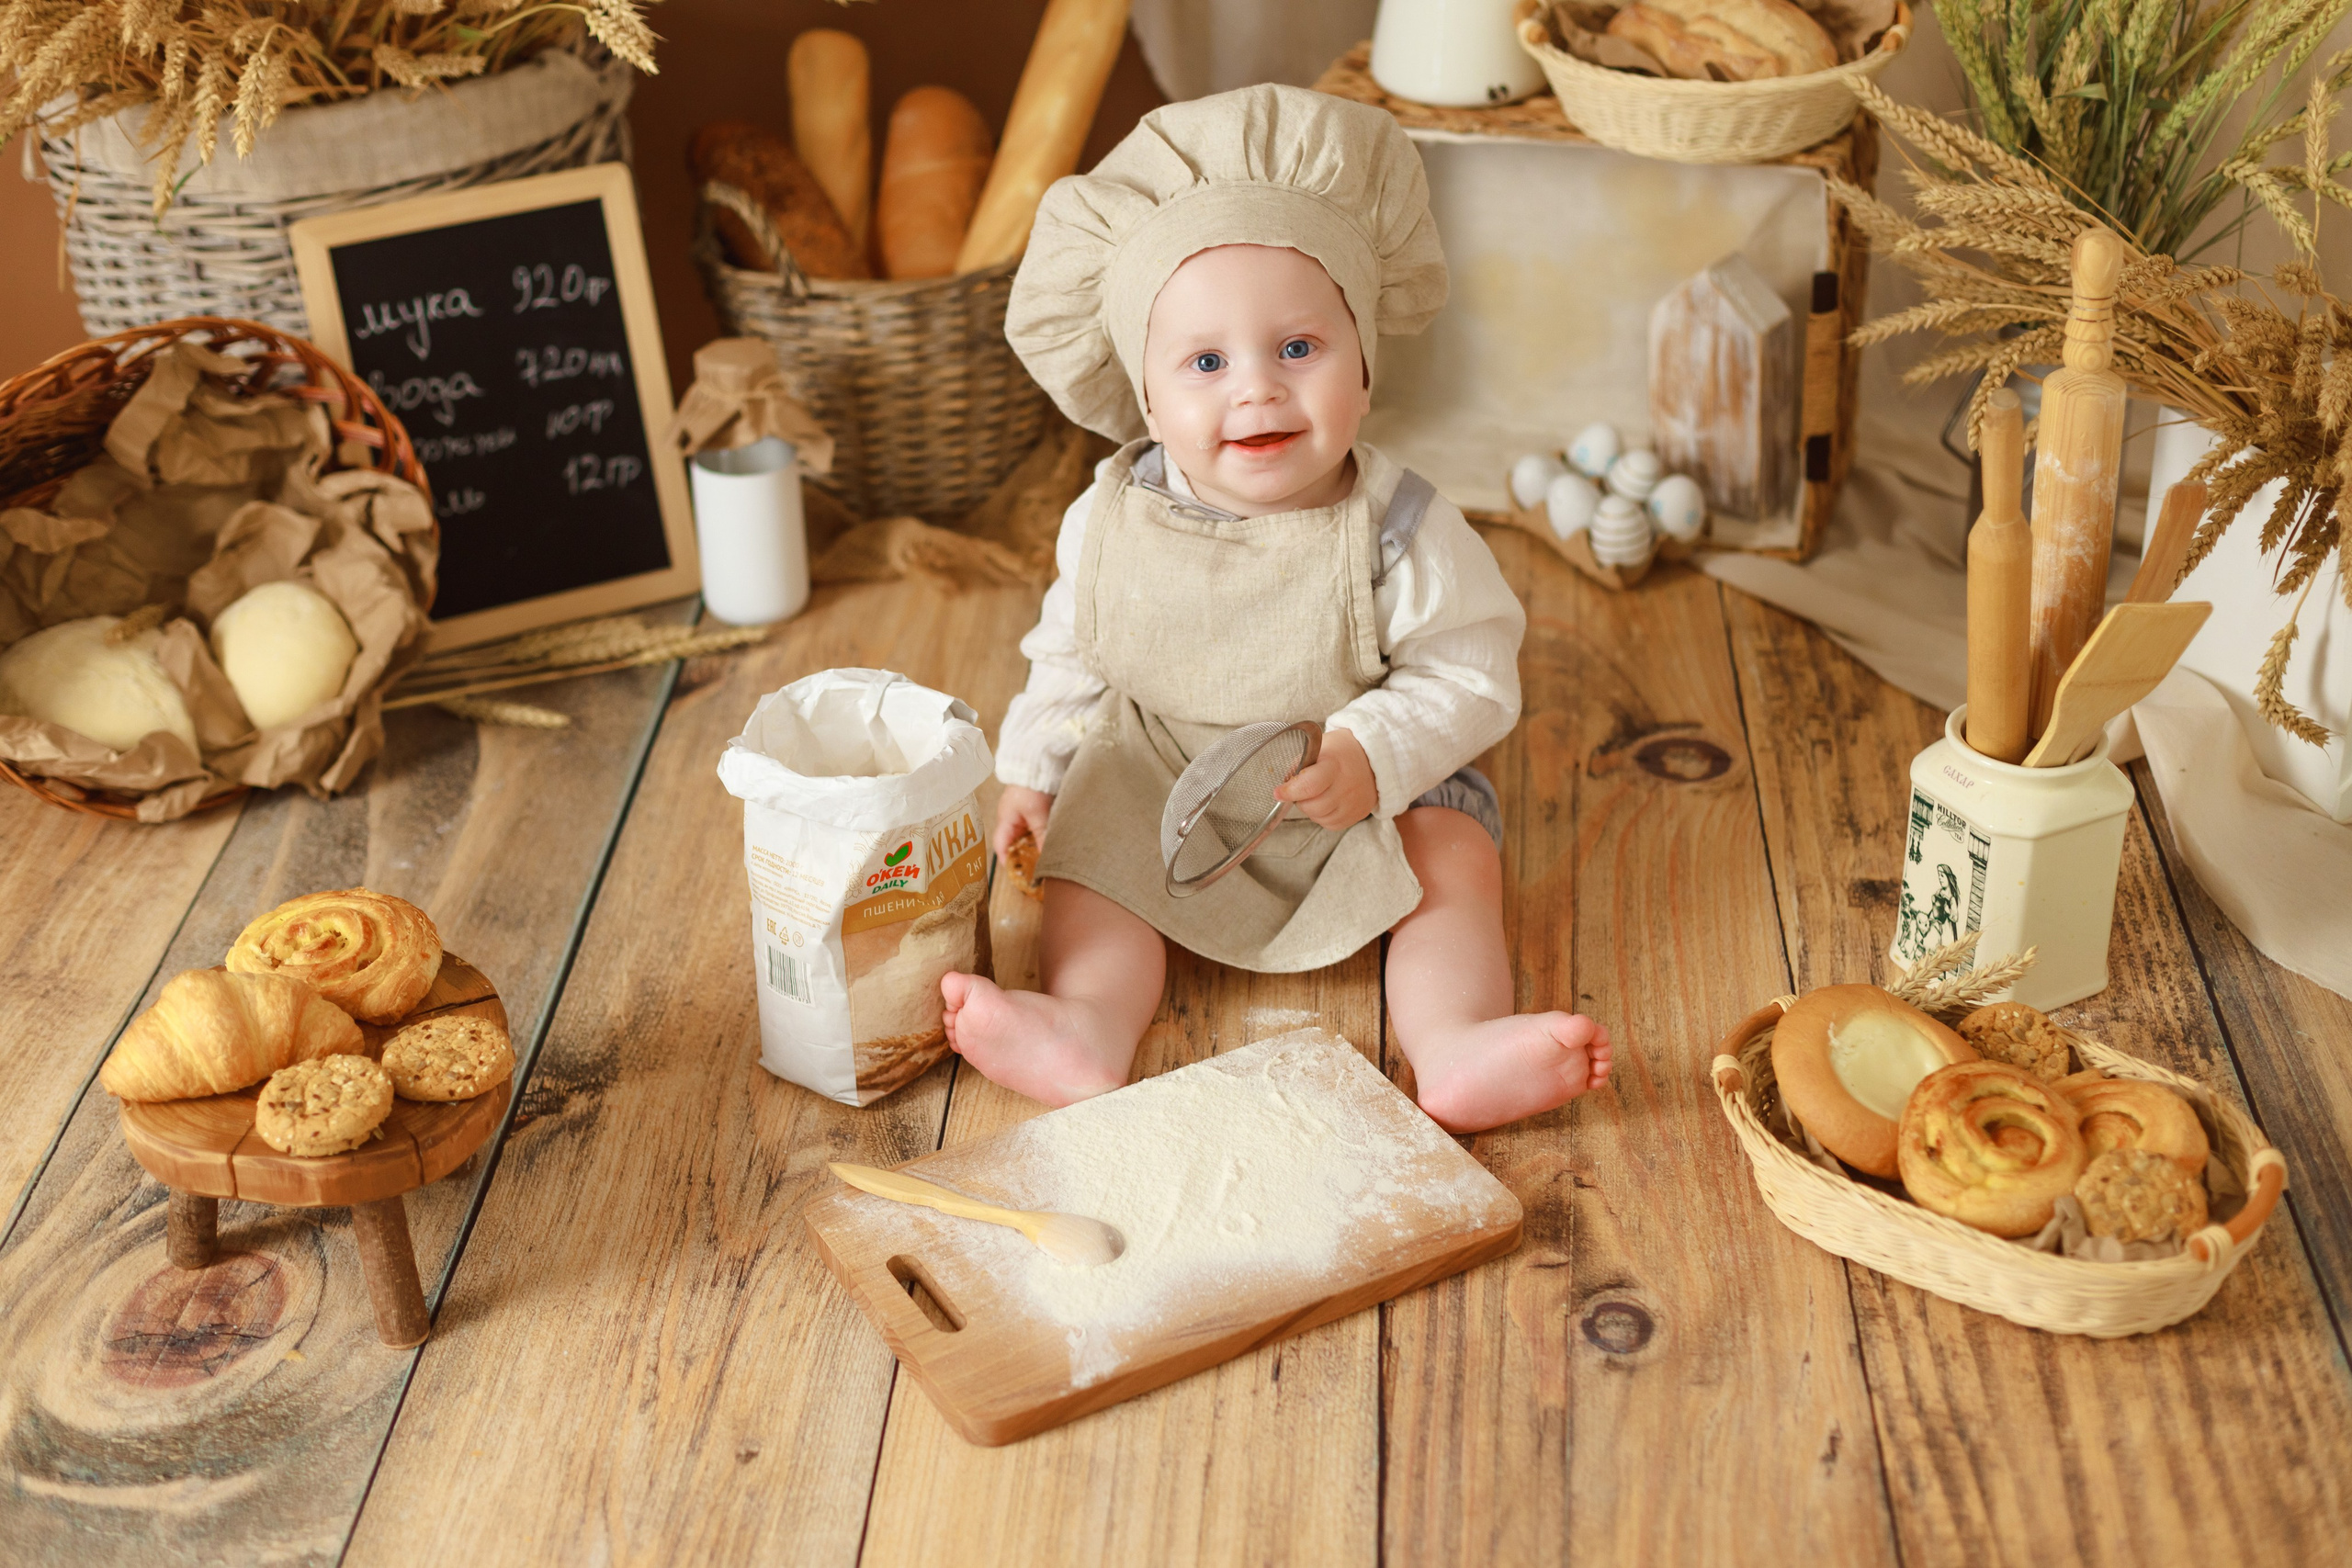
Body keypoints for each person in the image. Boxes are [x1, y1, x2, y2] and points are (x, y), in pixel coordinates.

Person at [940, 85, 1612, 1132]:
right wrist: (1034, 766)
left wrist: (1372, 753)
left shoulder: (1400, 529)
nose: (1256, 390)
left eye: (1298, 349)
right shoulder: (1110, 518)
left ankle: (1454, 1042)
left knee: (1450, 860)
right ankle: (1085, 1022)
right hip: (1164, 774)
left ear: (1364, 367)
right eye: (1205, 364)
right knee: (1089, 861)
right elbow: (1073, 647)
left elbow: (1471, 673)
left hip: (1347, 784)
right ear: (1149, 400)